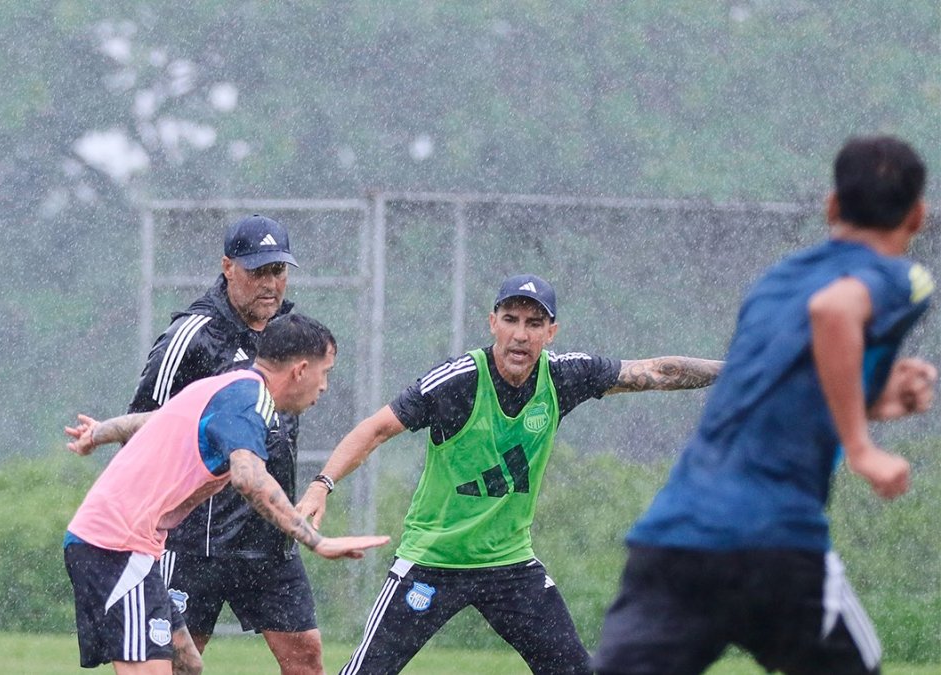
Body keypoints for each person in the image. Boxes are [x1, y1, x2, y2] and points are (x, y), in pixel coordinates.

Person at [593, 135, 935, 675]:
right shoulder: (904, 277)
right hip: (775, 543)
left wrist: (874, 397)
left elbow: (774, 387)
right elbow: (834, 312)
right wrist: (861, 447)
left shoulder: (775, 283)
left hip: (674, 539)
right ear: (917, 215)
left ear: (831, 206)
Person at [296, 274, 724, 674]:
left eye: (534, 323)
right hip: (432, 561)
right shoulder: (457, 381)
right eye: (511, 319)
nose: (521, 334)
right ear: (493, 323)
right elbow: (375, 429)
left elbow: (657, 372)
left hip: (509, 566)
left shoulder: (562, 376)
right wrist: (321, 485)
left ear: (550, 332)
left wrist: (744, 371)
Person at [63, 314, 389, 674]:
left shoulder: (228, 386)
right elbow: (249, 478)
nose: (325, 386)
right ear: (300, 369)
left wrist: (98, 434)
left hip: (123, 546)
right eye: (324, 372)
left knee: (187, 666)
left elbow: (153, 420)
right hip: (115, 546)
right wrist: (316, 541)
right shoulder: (250, 402)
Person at [125, 214, 327, 674]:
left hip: (268, 540)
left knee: (306, 657)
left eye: (278, 271)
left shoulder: (291, 334)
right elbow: (141, 426)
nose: (270, 284)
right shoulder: (192, 336)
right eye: (258, 271)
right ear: (228, 267)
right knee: (174, 665)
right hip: (195, 540)